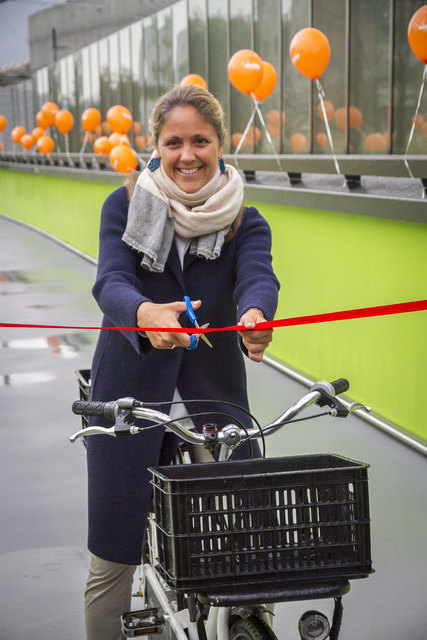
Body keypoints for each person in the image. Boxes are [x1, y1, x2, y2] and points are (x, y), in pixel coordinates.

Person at [84, 84, 280, 640]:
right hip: (128, 394)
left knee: (253, 545)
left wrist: (255, 314)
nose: (187, 154)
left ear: (220, 144)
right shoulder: (124, 206)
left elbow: (257, 277)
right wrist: (144, 312)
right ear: (157, 146)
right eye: (174, 142)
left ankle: (249, 619)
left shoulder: (245, 218)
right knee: (112, 559)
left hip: (212, 397)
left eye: (201, 140)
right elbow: (111, 280)